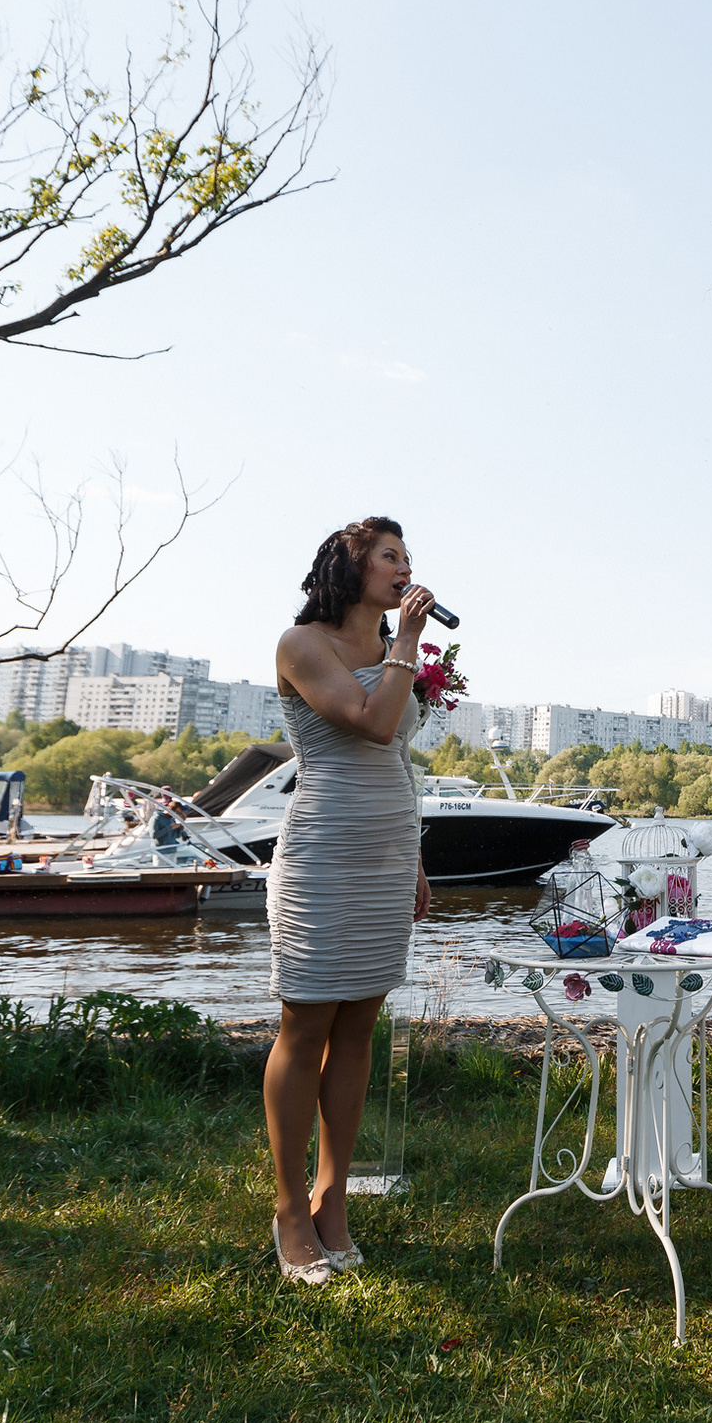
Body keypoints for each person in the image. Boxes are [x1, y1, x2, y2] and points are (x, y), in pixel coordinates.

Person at [263, 516, 435, 1284]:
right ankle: (291, 1211)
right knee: (307, 1024)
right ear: (351, 565)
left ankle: (335, 1200)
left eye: (407, 556)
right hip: (324, 854)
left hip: (386, 856)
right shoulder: (304, 645)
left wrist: (418, 862)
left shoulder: (389, 650)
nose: (404, 567)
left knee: (361, 1026)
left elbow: (400, 759)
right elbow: (369, 725)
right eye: (390, 555)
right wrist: (406, 644)